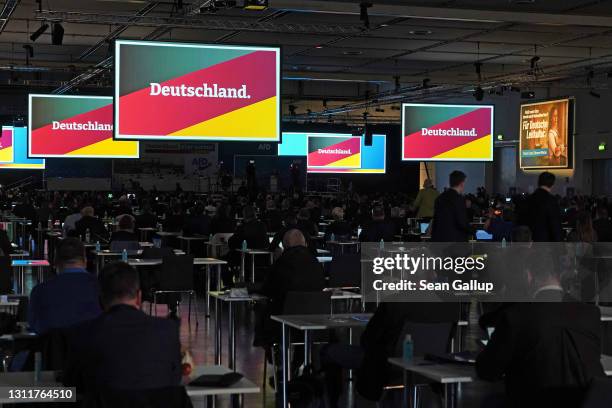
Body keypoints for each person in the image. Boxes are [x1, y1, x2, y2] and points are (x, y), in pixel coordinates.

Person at [476, 252, 605, 408]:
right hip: (587, 402)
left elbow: (488, 371)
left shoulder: (516, 316)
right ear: (560, 275)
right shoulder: (591, 314)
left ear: (528, 275)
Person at [64, 262, 181, 391]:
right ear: (139, 297)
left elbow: (72, 384)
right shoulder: (167, 330)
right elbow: (174, 379)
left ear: (101, 300)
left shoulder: (82, 333)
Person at [28, 238, 101, 334]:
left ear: (55, 262)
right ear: (85, 260)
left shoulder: (39, 291)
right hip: (94, 347)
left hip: (54, 347)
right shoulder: (103, 288)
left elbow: (34, 326)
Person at [431, 171, 471, 242]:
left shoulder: (440, 198)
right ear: (461, 183)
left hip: (438, 240)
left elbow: (436, 220)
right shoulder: (459, 199)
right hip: (454, 242)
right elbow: (462, 222)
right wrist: (474, 231)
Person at [526, 171, 562, 242]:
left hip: (530, 243)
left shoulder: (528, 199)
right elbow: (555, 226)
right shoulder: (552, 200)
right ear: (552, 184)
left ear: (538, 182)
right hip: (546, 245)